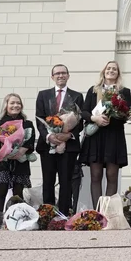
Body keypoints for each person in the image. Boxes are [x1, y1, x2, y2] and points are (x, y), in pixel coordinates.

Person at [35, 64, 85, 216]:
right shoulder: (43, 95)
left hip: (68, 146)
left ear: (68, 76)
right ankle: (48, 214)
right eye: (57, 73)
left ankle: (63, 215)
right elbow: (39, 119)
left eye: (63, 73)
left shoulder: (77, 96)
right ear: (52, 77)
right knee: (48, 181)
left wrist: (68, 135)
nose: (60, 76)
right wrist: (49, 136)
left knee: (66, 181)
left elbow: (80, 121)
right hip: (47, 145)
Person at [79, 61, 131, 209]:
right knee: (95, 176)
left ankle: (108, 211)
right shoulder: (94, 90)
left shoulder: (123, 91)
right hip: (96, 137)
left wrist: (113, 116)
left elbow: (126, 115)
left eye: (114, 69)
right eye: (109, 68)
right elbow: (84, 112)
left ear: (118, 73)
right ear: (104, 71)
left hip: (114, 135)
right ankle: (98, 212)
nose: (111, 71)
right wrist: (95, 119)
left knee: (112, 175)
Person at [0, 94, 36, 229]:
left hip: (20, 162)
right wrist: (7, 151)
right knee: (1, 188)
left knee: (18, 192)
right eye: (12, 103)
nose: (16, 106)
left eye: (18, 103)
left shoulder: (27, 123)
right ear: (6, 105)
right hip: (2, 162)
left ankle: (16, 220)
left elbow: (31, 141)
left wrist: (21, 150)